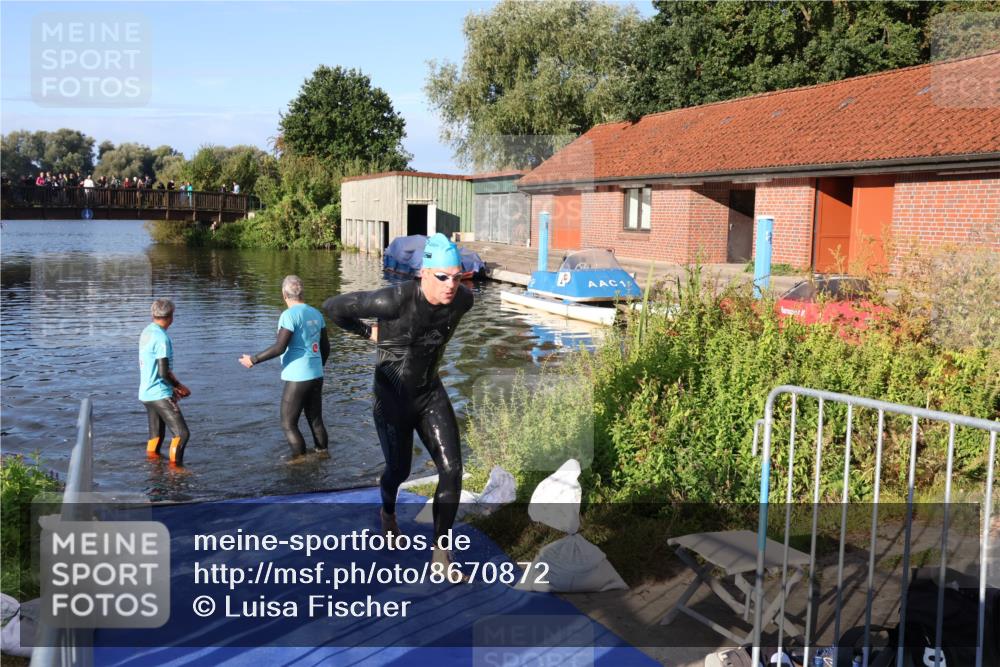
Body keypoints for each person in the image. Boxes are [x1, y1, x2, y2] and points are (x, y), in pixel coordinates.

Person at [323, 233, 473, 572]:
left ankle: (440, 554)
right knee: (399, 470)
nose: (452, 285)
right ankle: (387, 512)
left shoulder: (464, 301)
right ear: (424, 274)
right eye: (442, 277)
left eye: (457, 276)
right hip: (391, 399)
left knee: (452, 470)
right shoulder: (391, 301)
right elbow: (332, 307)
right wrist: (368, 333)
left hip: (429, 392)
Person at [240, 276, 330, 461]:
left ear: (284, 294)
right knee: (315, 420)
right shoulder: (316, 313)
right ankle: (323, 455)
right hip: (316, 374)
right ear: (302, 292)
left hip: (298, 376)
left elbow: (279, 347)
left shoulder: (289, 315)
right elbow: (326, 347)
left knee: (288, 423)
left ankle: (299, 460)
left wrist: (253, 359)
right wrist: (317, 367)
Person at [139, 299, 191, 464]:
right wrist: (178, 386)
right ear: (171, 316)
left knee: (156, 435)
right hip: (159, 392)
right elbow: (163, 372)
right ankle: (175, 471)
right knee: (182, 434)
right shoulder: (162, 338)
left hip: (146, 393)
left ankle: (153, 465)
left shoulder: (147, 331)